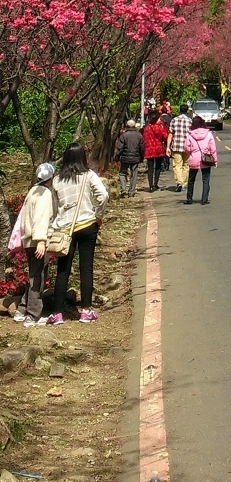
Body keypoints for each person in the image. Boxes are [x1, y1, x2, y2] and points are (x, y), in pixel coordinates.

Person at [47, 144, 109, 325]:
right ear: (83, 157)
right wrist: (98, 214)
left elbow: (54, 205)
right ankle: (86, 311)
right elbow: (103, 195)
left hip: (65, 228)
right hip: (88, 224)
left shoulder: (57, 180)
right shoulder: (88, 175)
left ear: (66, 158)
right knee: (86, 268)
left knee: (62, 270)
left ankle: (57, 313)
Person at [14, 162, 56, 327]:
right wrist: (41, 241)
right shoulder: (45, 193)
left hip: (28, 240)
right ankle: (33, 315)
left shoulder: (32, 191)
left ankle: (22, 309)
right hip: (37, 240)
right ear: (51, 177)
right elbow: (41, 217)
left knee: (33, 274)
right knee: (37, 278)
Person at [183, 116, 218, 205]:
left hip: (194, 158)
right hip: (205, 159)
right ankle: (204, 199)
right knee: (206, 179)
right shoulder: (209, 134)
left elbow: (187, 148)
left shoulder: (190, 134)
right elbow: (213, 148)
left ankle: (189, 199)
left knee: (191, 180)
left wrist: (191, 152)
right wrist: (215, 160)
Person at [115, 119, 144, 197]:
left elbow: (120, 148)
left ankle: (123, 188)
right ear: (134, 126)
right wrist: (142, 157)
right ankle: (131, 192)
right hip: (135, 158)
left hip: (125, 158)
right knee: (134, 174)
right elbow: (142, 148)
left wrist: (117, 156)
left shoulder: (123, 135)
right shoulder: (139, 135)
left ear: (126, 126)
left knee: (122, 173)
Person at [167, 103, 192, 192]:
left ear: (179, 110)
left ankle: (179, 182)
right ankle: (184, 183)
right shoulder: (190, 121)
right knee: (186, 165)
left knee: (177, 165)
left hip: (176, 146)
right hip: (187, 146)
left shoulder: (174, 120)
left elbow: (170, 134)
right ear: (187, 111)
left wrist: (168, 147)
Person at [142, 109, 169, 192]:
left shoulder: (147, 128)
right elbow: (165, 136)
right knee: (157, 167)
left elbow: (144, 138)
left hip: (149, 149)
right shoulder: (159, 127)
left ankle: (150, 186)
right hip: (158, 149)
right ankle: (155, 184)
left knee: (150, 168)